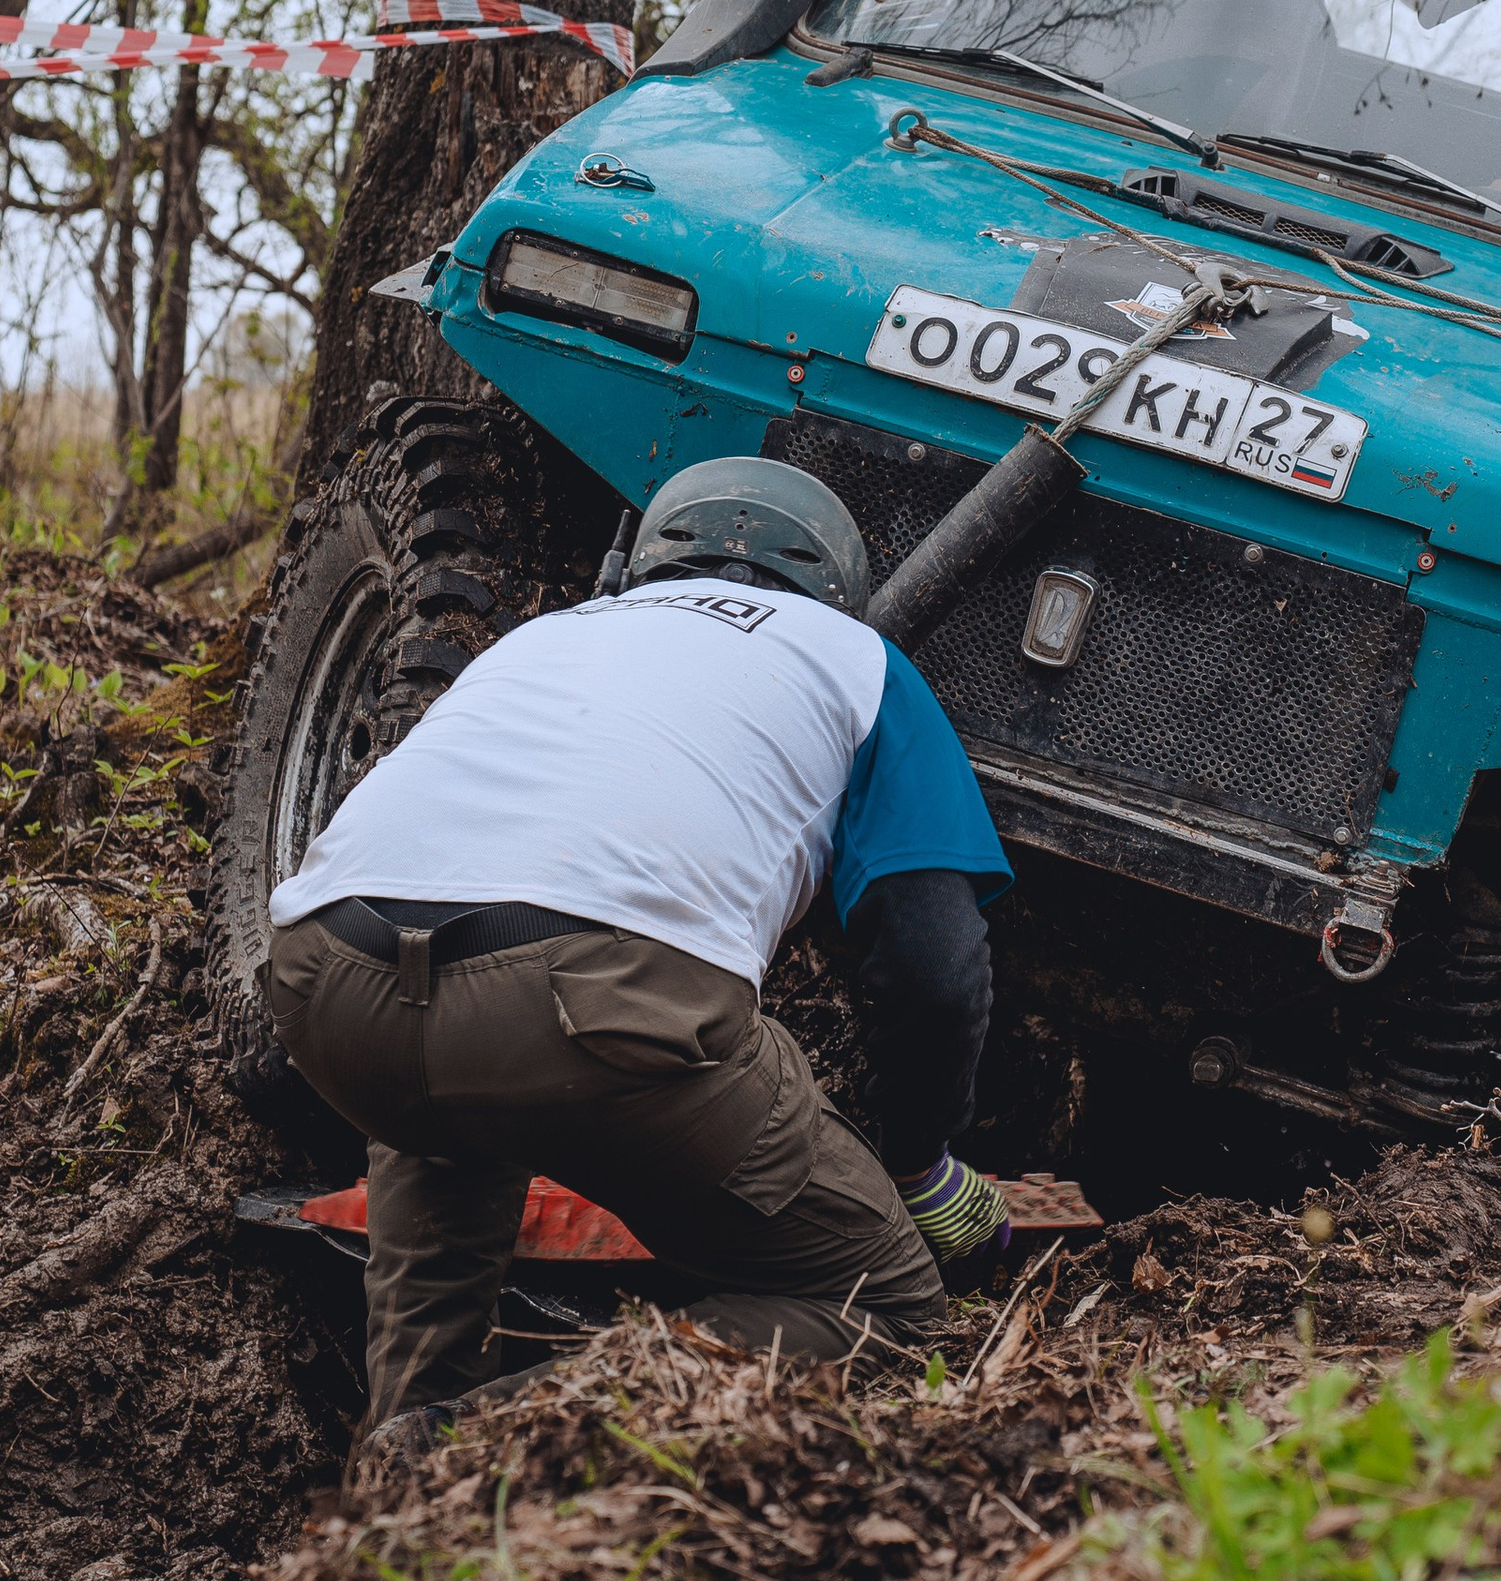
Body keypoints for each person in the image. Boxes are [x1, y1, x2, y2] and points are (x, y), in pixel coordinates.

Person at [265, 455, 1013, 1456]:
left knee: (443, 1115)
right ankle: (476, 1444)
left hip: (328, 980)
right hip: (584, 1000)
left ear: (645, 563)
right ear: (838, 588)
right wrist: (922, 1156)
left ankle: (404, 1463)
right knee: (879, 1307)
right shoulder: (857, 658)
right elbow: (933, 963)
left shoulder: (549, 637)